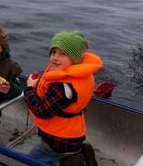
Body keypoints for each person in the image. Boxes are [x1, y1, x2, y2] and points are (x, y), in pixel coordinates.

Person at [25, 30, 102, 165]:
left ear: (75, 58)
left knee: (29, 161)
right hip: (72, 135)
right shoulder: (82, 75)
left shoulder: (63, 87)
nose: (55, 57)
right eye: (53, 52)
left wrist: (30, 89)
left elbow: (41, 111)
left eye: (63, 54)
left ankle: (74, 158)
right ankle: (76, 153)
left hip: (58, 142)